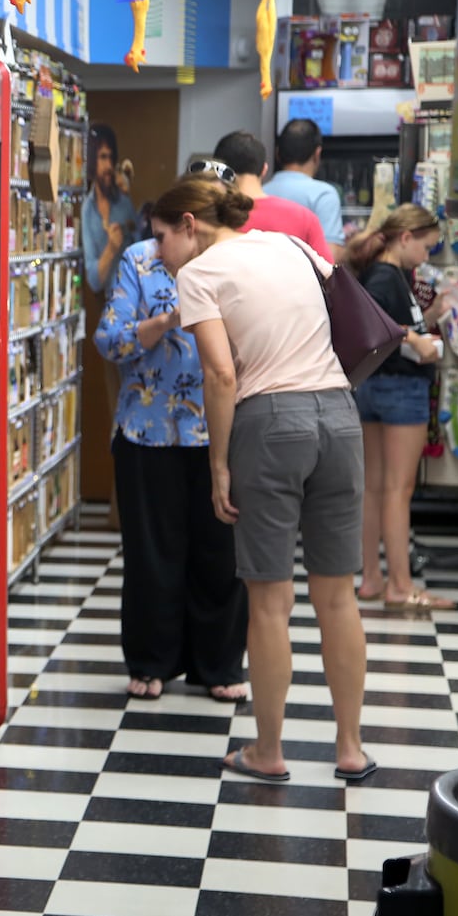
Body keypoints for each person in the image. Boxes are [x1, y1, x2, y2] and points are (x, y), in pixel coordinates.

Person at [149, 175, 374, 784]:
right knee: (337, 594)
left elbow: (222, 376)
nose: (159, 252)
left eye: (162, 237)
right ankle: (350, 748)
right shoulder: (290, 245)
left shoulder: (197, 276)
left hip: (270, 422)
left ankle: (268, 752)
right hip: (339, 415)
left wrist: (219, 463)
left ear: (190, 224)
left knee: (270, 603)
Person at [94, 229, 247, 703]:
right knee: (151, 554)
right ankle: (151, 661)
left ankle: (218, 665)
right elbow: (109, 340)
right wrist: (163, 322)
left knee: (221, 554)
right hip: (148, 430)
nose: (163, 243)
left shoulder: (239, 259)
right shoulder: (141, 260)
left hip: (222, 429)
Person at [348, 206, 454, 610]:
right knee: (397, 490)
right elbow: (372, 322)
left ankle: (373, 580)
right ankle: (400, 585)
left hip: (375, 386)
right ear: (405, 237)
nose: (427, 256)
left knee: (376, 488)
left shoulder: (387, 275)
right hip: (400, 389)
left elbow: (385, 323)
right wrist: (416, 340)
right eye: (426, 248)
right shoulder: (386, 275)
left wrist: (427, 318)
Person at [205, 131, 332, 260]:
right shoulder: (305, 218)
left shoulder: (207, 216)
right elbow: (328, 274)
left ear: (218, 169)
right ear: (264, 169)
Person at [266, 118, 346, 259]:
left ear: (277, 154)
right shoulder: (324, 195)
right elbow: (331, 258)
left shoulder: (259, 192)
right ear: (317, 154)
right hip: (306, 280)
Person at [82, 124, 137, 296]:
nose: (109, 165)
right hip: (113, 304)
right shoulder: (88, 211)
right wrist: (112, 248)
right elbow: (94, 281)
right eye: (103, 157)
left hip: (137, 300)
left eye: (111, 158)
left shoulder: (124, 203)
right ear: (92, 161)